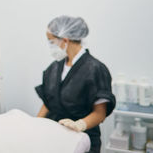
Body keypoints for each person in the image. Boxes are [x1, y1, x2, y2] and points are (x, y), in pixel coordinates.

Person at [35, 15, 115, 153]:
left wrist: (80, 125)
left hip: (82, 137)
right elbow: (48, 102)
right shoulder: (54, 68)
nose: (50, 46)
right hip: (55, 135)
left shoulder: (95, 69)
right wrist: (34, 124)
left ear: (65, 40)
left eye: (51, 41)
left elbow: (100, 113)